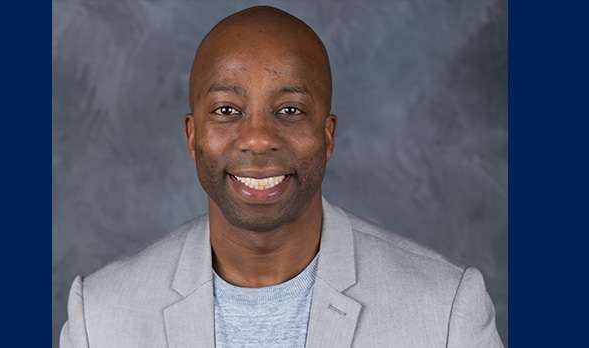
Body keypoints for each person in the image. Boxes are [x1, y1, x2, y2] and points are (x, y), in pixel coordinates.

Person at [60, 6, 503, 348]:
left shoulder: (444, 310)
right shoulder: (102, 316)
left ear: (327, 136)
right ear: (192, 136)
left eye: (289, 110)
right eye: (227, 111)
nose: (256, 138)